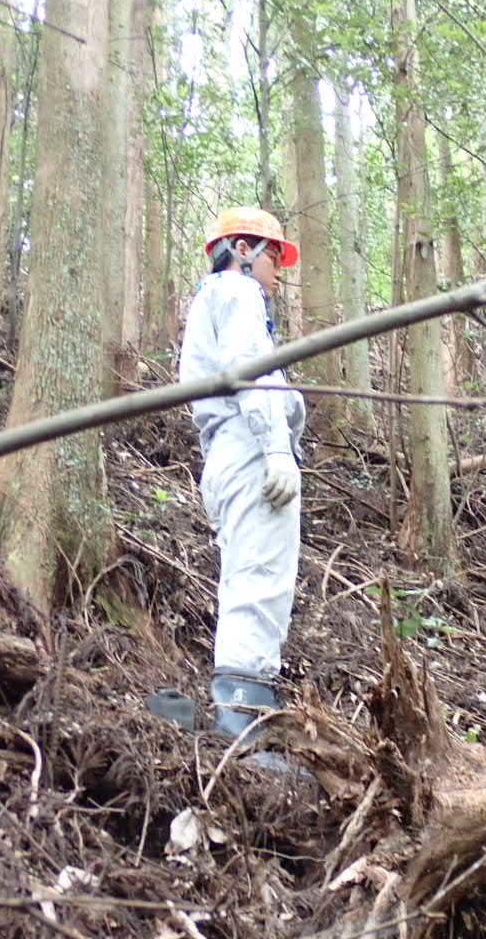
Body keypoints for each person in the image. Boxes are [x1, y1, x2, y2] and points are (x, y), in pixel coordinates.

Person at [178, 207, 306, 756]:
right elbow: (252, 368)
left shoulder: (216, 299)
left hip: (228, 451)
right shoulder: (236, 292)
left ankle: (237, 712)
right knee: (261, 578)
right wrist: (276, 447)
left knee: (244, 578)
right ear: (242, 249)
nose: (278, 270)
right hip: (250, 446)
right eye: (274, 255)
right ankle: (246, 728)